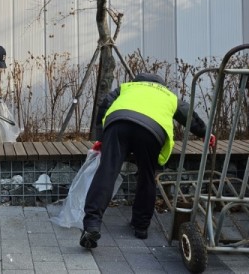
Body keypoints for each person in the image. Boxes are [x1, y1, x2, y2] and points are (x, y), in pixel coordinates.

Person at [79, 72, 215, 249]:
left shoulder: (127, 87)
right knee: (147, 175)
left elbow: (105, 104)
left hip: (119, 123)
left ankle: (92, 224)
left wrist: (101, 138)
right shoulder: (168, 95)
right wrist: (205, 133)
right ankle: (141, 226)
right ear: (161, 84)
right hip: (151, 130)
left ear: (138, 81)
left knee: (107, 171)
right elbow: (188, 115)